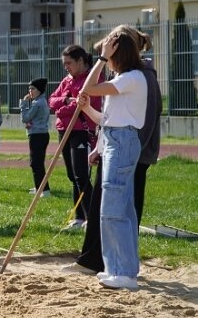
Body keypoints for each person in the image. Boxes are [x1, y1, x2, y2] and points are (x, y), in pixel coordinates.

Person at [66, 25, 161, 279]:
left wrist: (99, 60)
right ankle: (119, 268)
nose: (107, 63)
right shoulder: (123, 80)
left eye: (109, 57)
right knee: (117, 209)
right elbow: (108, 119)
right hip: (113, 141)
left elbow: (86, 88)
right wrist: (87, 112)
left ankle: (121, 271)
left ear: (118, 55)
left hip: (125, 146)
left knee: (114, 211)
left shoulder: (133, 78)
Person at [48, 45, 104, 230]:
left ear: (81, 60)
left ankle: (91, 218)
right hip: (64, 130)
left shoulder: (92, 79)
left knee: (81, 174)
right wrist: (65, 101)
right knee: (73, 175)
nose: (66, 67)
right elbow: (52, 100)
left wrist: (63, 108)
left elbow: (81, 105)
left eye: (69, 63)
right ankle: (79, 218)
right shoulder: (67, 80)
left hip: (82, 131)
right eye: (64, 63)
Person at [19, 77, 51, 197]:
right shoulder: (39, 101)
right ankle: (39, 187)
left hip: (37, 136)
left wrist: (23, 103)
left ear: (39, 90)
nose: (30, 91)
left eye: (32, 88)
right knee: (37, 163)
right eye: (29, 88)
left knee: (36, 163)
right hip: (40, 134)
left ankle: (45, 190)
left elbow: (25, 118)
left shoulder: (37, 103)